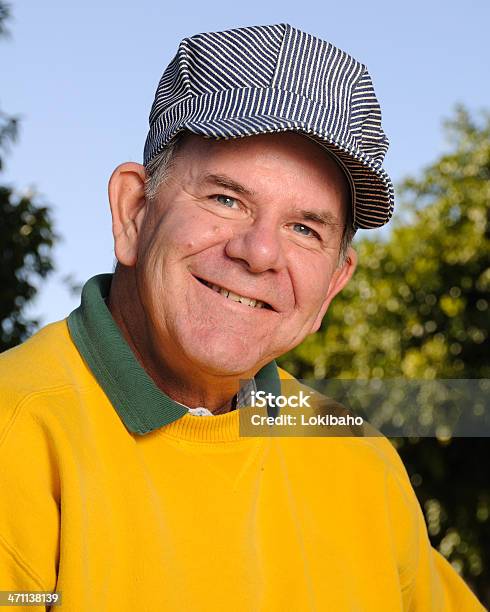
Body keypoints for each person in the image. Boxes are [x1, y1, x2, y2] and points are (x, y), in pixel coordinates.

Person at [0, 23, 484, 611]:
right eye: (226, 199)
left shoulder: (360, 462)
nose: (258, 253)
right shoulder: (18, 433)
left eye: (305, 229)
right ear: (133, 211)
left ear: (332, 285)